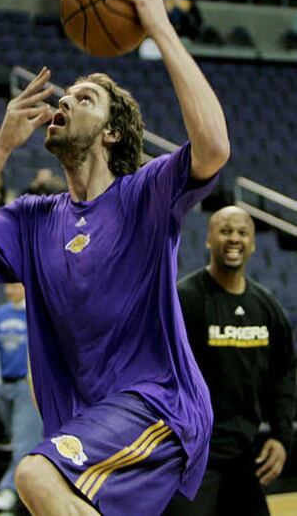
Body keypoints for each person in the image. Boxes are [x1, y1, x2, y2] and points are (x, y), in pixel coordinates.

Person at [0, 0, 230, 515]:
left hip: (158, 404)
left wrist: (160, 26)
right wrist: (0, 151)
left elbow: (212, 147)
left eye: (84, 97)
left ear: (112, 132)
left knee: (36, 475)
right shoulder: (33, 217)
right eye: (65, 95)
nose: (64, 100)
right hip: (90, 420)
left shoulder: (145, 192)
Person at [165, 206, 296, 516]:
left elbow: (283, 376)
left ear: (252, 243)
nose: (234, 238)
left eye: (242, 232)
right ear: (209, 240)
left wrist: (280, 436)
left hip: (243, 455)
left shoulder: (266, 307)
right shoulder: (185, 299)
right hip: (193, 457)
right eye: (225, 231)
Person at [0, 282, 43, 512]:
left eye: (14, 285)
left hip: (25, 385)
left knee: (23, 441)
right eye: (7, 285)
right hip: (5, 385)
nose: (9, 290)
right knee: (16, 440)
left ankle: (8, 489)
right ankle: (29, 490)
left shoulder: (37, 313)